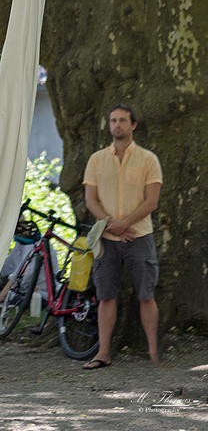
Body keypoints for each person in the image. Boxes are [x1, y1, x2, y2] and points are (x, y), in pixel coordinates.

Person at [82, 103, 163, 370]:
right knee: (106, 296)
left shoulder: (148, 159)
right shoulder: (96, 159)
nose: (117, 125)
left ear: (133, 125)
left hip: (139, 237)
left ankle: (153, 353)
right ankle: (103, 352)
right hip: (106, 239)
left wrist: (124, 223)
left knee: (146, 295)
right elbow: (90, 199)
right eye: (113, 120)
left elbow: (151, 201)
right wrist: (109, 224)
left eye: (123, 120)